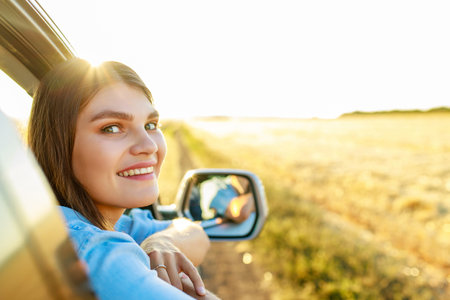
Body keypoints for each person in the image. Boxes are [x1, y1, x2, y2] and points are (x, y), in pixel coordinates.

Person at [28, 58, 217, 299]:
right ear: (58, 145)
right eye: (112, 128)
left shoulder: (100, 222)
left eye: (150, 124)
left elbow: (192, 230)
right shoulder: (89, 251)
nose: (148, 145)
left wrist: (160, 244)